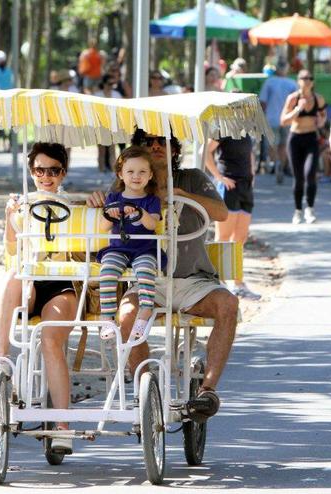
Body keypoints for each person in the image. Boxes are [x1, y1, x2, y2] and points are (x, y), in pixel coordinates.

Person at [87, 129, 234, 421]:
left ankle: (207, 392)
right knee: (126, 315)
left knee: (228, 304)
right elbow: (104, 210)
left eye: (162, 142)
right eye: (148, 142)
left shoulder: (191, 177)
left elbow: (222, 213)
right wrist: (96, 200)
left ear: (174, 150)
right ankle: (146, 387)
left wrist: (182, 195)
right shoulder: (128, 180)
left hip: (193, 279)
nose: (155, 147)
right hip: (148, 278)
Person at [0, 143, 77, 453]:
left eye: (53, 170)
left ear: (62, 173)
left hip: (61, 283)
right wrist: (9, 217)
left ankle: (62, 426)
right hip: (29, 279)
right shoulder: (22, 204)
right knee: (14, 276)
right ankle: (2, 355)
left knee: (51, 340)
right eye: (40, 170)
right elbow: (12, 251)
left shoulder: (73, 206)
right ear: (32, 172)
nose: (46, 176)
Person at [97, 147, 164, 341]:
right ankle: (107, 315)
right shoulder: (114, 198)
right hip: (119, 248)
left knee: (145, 271)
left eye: (142, 172)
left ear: (150, 175)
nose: (136, 176)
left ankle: (145, 309)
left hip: (144, 249)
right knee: (107, 270)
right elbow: (103, 227)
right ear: (120, 174)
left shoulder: (152, 201)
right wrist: (111, 214)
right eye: (130, 172)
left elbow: (152, 224)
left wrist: (140, 212)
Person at [204, 133, 260, 300]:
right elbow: (204, 152)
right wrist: (218, 177)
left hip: (246, 187)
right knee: (223, 237)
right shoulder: (223, 129)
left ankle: (238, 283)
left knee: (240, 239)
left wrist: (252, 174)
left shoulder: (248, 130)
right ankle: (217, 283)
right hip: (228, 186)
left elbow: (249, 153)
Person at [280, 69, 327, 224]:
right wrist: (297, 109)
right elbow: (284, 121)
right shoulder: (293, 98)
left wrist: (320, 122)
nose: (307, 81)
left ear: (313, 81)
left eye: (310, 78)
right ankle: (298, 211)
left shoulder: (318, 98)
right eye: (304, 78)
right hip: (295, 139)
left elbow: (323, 116)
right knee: (298, 177)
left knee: (310, 174)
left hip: (311, 138)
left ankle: (310, 210)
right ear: (298, 81)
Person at [259, 60, 297, 182]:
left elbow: (263, 102)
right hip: (287, 119)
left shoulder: (269, 82)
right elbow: (297, 102)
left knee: (272, 144)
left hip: (272, 118)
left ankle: (276, 164)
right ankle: (281, 164)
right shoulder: (292, 83)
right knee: (284, 144)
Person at [94, 74, 122, 172]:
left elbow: (120, 110)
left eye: (113, 83)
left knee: (112, 149)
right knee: (101, 150)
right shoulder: (97, 95)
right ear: (104, 83)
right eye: (109, 83)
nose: (111, 85)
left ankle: (113, 171)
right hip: (100, 125)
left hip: (113, 125)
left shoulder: (116, 95)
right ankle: (101, 170)